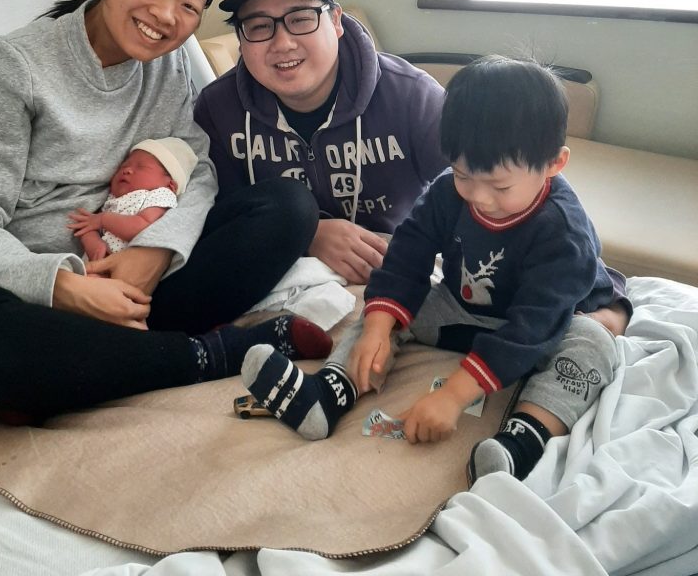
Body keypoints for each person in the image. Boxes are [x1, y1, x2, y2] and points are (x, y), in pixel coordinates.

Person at [0, 0, 332, 421]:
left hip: (140, 287)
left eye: (188, 7)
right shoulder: (12, 68)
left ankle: (100, 365)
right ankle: (211, 355)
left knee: (289, 206)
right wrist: (66, 286)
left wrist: (157, 252)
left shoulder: (167, 68)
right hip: (35, 298)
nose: (165, 15)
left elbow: (196, 171)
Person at [241, 55, 631, 483]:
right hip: (464, 306)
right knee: (381, 310)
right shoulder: (448, 191)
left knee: (593, 344)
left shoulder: (563, 231)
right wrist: (378, 327)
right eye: (464, 175)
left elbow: (533, 329)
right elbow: (408, 253)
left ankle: (524, 439)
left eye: (500, 185)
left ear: (555, 164)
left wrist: (454, 395)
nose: (479, 198)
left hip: (550, 321)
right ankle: (329, 391)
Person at [194, 0, 448, 285]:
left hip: (393, 270)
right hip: (283, 276)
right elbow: (212, 219)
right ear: (240, 38)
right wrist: (308, 233)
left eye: (300, 19)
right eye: (258, 26)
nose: (282, 43)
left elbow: (488, 188)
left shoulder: (413, 97)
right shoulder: (216, 112)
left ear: (336, 21)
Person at [69, 138, 198, 261]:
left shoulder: (160, 195)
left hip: (128, 265)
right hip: (95, 264)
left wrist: (103, 219)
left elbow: (141, 226)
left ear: (170, 185)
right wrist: (94, 243)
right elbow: (87, 225)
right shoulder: (113, 199)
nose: (127, 170)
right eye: (123, 166)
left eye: (141, 167)